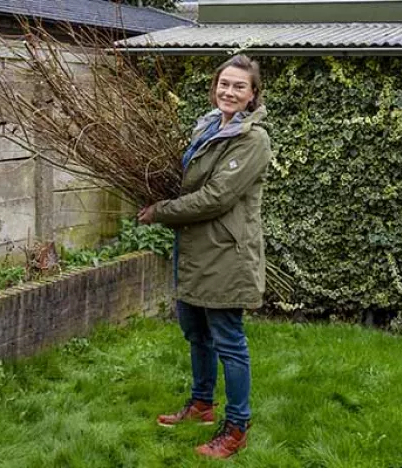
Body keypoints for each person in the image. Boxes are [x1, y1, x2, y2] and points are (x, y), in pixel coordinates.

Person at [137, 54, 272, 460]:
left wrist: (160, 212)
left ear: (252, 95)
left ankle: (237, 427)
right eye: (223, 84)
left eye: (239, 87)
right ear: (215, 87)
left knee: (229, 341)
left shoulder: (252, 140)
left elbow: (217, 198)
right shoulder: (209, 126)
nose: (229, 92)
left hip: (226, 254)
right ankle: (200, 405)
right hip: (195, 247)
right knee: (196, 332)